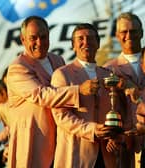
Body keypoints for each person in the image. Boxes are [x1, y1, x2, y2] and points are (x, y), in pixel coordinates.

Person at [6, 16, 99, 168]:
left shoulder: (57, 61)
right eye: (33, 38)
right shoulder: (18, 68)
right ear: (23, 40)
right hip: (32, 143)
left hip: (61, 142)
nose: (39, 42)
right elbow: (41, 95)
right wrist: (79, 91)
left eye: (43, 37)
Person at [51, 23, 128, 168]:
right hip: (76, 155)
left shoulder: (108, 75)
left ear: (98, 44)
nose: (85, 42)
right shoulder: (62, 74)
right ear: (73, 45)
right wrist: (92, 130)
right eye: (80, 39)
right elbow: (61, 116)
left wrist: (115, 135)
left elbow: (117, 111)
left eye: (90, 38)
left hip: (107, 155)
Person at [103, 12, 145, 167]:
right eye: (124, 32)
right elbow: (104, 109)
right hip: (126, 145)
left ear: (141, 33)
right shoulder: (108, 69)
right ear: (117, 35)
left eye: (133, 31)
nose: (129, 35)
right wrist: (111, 136)